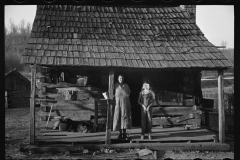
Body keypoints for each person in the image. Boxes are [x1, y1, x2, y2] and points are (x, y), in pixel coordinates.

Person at [113, 75, 132, 140]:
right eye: (120, 78)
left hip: (125, 104)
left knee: (124, 117)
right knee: (118, 118)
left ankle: (124, 134)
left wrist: (126, 96)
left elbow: (129, 93)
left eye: (122, 78)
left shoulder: (126, 85)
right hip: (118, 105)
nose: (121, 79)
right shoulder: (115, 85)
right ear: (118, 79)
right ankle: (120, 134)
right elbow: (112, 93)